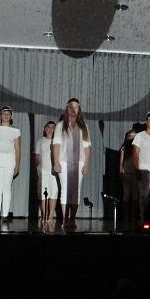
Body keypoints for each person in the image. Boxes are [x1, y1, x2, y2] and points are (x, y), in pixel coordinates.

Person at [52, 98, 91, 230]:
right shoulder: (60, 125)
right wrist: (56, 162)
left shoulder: (84, 126)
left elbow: (87, 147)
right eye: (71, 107)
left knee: (76, 191)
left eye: (76, 107)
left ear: (79, 110)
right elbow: (56, 144)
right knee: (65, 190)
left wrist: (86, 164)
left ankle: (72, 218)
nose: (73, 110)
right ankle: (65, 218)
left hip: (79, 162)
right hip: (63, 161)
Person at [0, 105, 21, 219]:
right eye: (4, 113)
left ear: (11, 116)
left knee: (6, 188)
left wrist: (17, 165)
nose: (6, 115)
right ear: (0, 116)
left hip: (10, 160)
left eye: (8, 114)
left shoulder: (15, 131)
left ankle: (5, 214)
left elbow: (17, 148)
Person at [34, 120, 58, 224]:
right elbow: (37, 158)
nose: (50, 129)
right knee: (44, 194)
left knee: (53, 193)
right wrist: (36, 171)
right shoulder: (40, 142)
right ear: (45, 128)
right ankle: (44, 215)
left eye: (53, 127)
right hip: (42, 171)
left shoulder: (57, 142)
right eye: (48, 127)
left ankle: (50, 216)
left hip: (54, 172)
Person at [119, 129, 139, 221]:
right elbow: (121, 162)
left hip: (135, 174)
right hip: (126, 174)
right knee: (126, 195)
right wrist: (121, 172)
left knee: (135, 195)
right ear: (127, 137)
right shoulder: (124, 147)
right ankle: (126, 216)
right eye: (131, 136)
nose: (132, 138)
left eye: (134, 136)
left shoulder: (138, 147)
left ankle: (133, 216)